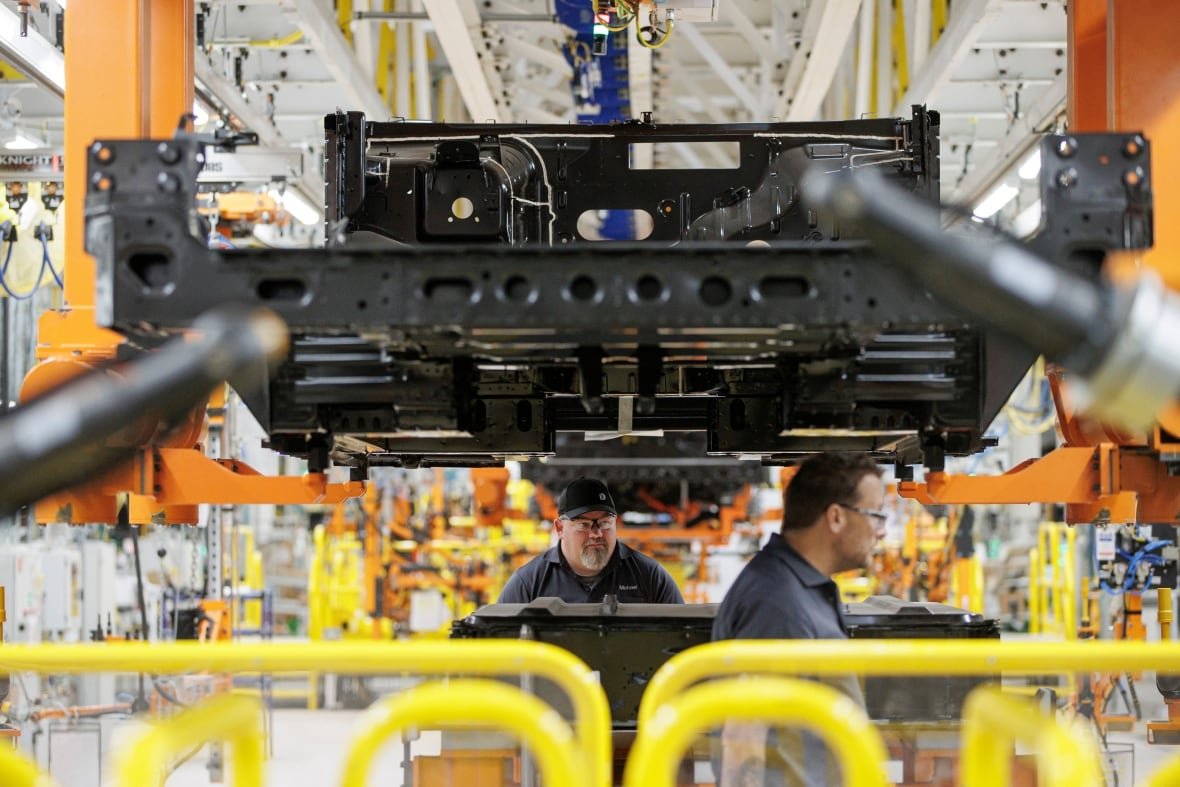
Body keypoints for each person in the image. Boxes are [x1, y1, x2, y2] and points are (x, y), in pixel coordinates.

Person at [711, 452, 888, 787]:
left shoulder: (802, 589)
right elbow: (743, 737)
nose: (882, 532)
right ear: (836, 517)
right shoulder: (776, 602)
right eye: (876, 515)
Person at [498, 477, 684, 604]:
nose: (596, 533)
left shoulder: (649, 576)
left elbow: (681, 639)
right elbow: (501, 645)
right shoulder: (529, 583)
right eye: (583, 525)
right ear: (560, 528)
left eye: (605, 523)